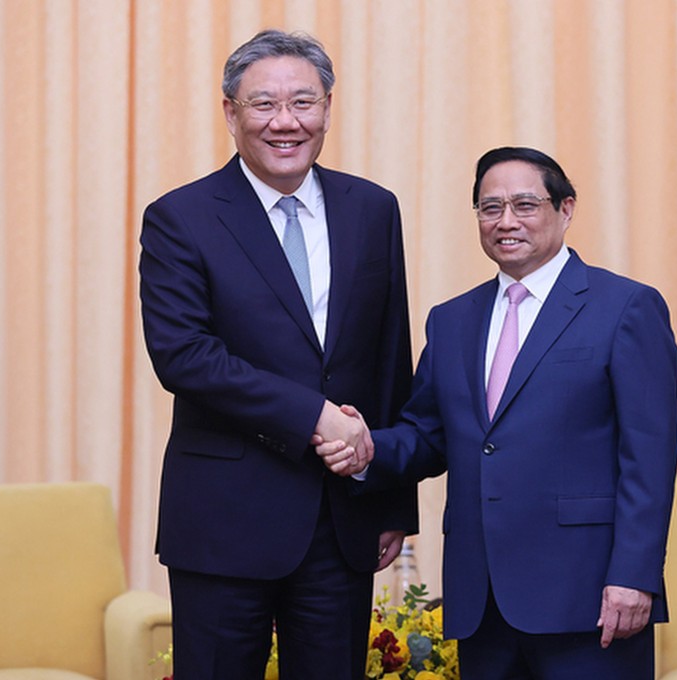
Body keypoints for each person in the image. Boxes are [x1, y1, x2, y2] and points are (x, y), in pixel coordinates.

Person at [319, 147, 677, 679]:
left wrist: (634, 576)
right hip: (481, 599)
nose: (506, 221)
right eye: (490, 208)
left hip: (589, 597)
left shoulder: (625, 306)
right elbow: (428, 434)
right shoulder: (452, 320)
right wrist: (364, 446)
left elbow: (649, 457)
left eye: (525, 204)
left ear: (566, 208)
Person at [138, 29, 416, 680]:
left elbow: (388, 358)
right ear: (230, 113)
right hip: (223, 516)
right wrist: (314, 416)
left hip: (341, 517)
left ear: (327, 109)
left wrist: (391, 500)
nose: (285, 122)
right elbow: (184, 355)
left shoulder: (373, 210)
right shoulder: (181, 217)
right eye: (263, 105)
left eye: (304, 103)